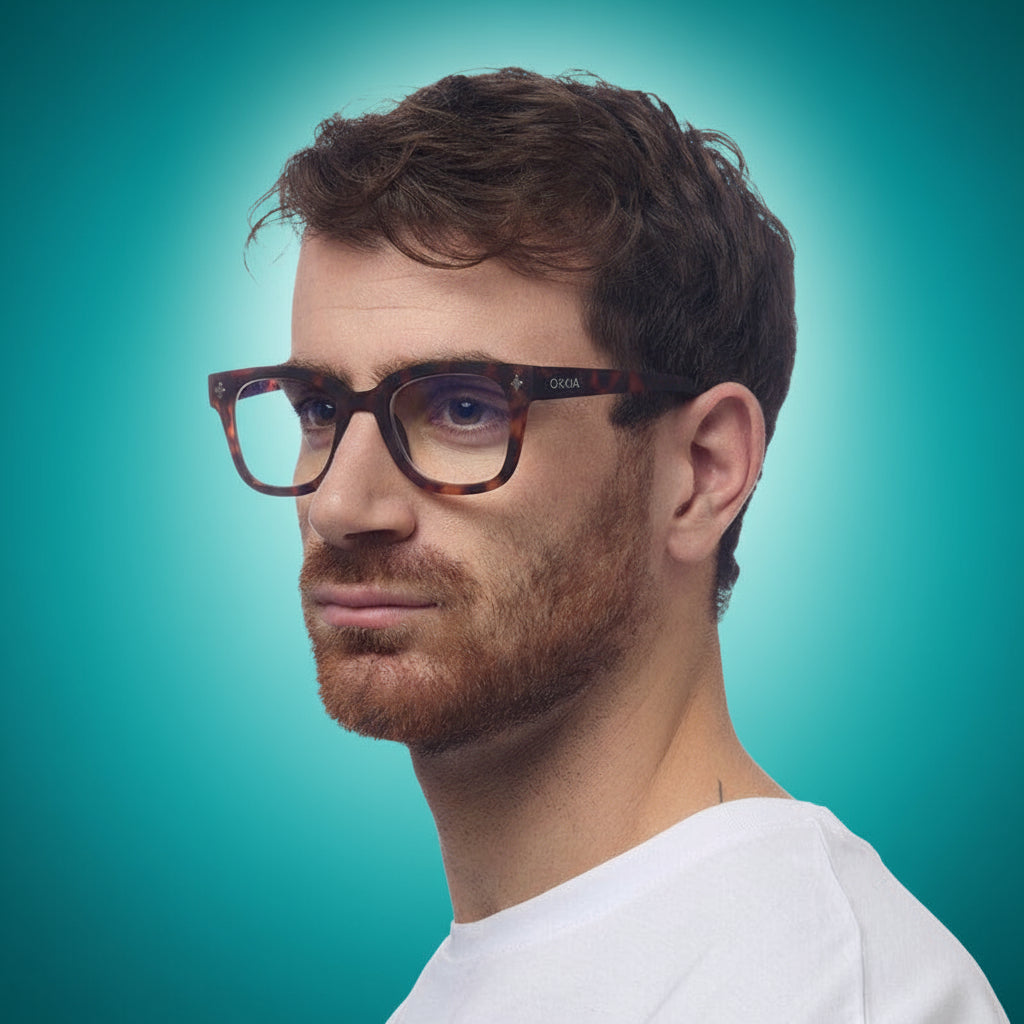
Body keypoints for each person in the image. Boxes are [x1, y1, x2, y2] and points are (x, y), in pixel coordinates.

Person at [209, 68, 1008, 1022]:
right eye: (319, 408)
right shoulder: (490, 983)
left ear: (705, 470)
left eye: (464, 408)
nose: (342, 503)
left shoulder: (829, 995)